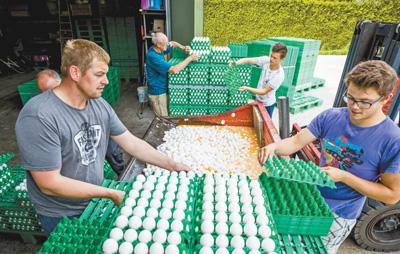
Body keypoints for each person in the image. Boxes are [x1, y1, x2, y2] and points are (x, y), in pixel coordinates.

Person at [15, 39, 190, 235]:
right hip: (61, 213)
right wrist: (108, 193)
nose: (106, 81)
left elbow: (130, 142)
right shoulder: (39, 116)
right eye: (99, 74)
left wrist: (172, 164)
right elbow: (49, 184)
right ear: (75, 73)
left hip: (92, 199)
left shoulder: (98, 105)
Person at [258, 60, 400, 254]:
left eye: (365, 102)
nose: (355, 106)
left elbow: (392, 195)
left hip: (339, 213)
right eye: (350, 97)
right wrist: (274, 147)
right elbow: (296, 142)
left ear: (386, 98)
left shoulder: (391, 140)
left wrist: (344, 177)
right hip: (307, 199)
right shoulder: (331, 117)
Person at [36, 69, 125, 175]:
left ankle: (121, 172)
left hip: (98, 130)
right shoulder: (47, 110)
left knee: (112, 152)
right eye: (45, 92)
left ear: (61, 82)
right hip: (82, 141)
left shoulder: (86, 97)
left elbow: (128, 140)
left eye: (53, 89)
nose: (51, 95)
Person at [145, 32, 199, 116]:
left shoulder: (159, 48)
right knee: (163, 117)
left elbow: (173, 43)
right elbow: (174, 69)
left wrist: (183, 48)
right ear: (158, 45)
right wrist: (190, 58)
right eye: (165, 45)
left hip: (163, 86)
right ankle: (163, 129)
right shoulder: (153, 56)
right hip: (157, 91)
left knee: (166, 112)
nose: (167, 46)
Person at [230, 43, 287, 117]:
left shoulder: (279, 75)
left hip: (267, 105)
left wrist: (247, 88)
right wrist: (236, 63)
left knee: (264, 126)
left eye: (275, 58)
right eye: (271, 56)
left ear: (281, 59)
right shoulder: (266, 60)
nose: (271, 59)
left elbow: (263, 91)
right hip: (258, 100)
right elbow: (248, 60)